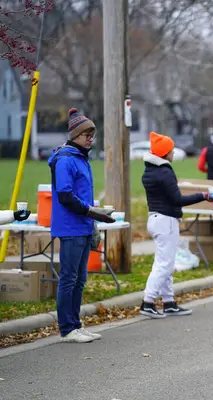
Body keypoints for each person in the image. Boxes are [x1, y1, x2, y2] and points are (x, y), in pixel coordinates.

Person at [48, 107, 116, 343]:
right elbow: (65, 195)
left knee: (80, 279)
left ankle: (75, 324)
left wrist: (93, 218)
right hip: (71, 227)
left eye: (92, 135)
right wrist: (91, 212)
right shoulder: (66, 160)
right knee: (69, 278)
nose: (91, 139)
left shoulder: (80, 158)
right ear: (75, 135)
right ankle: (67, 329)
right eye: (87, 135)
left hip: (84, 226)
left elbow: (81, 195)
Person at [141, 132, 213, 319]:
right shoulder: (164, 171)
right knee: (164, 265)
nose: (174, 153)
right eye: (171, 150)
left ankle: (169, 302)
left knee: (166, 263)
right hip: (166, 221)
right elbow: (177, 199)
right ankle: (148, 301)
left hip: (156, 219)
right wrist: (202, 196)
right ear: (164, 153)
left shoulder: (150, 170)